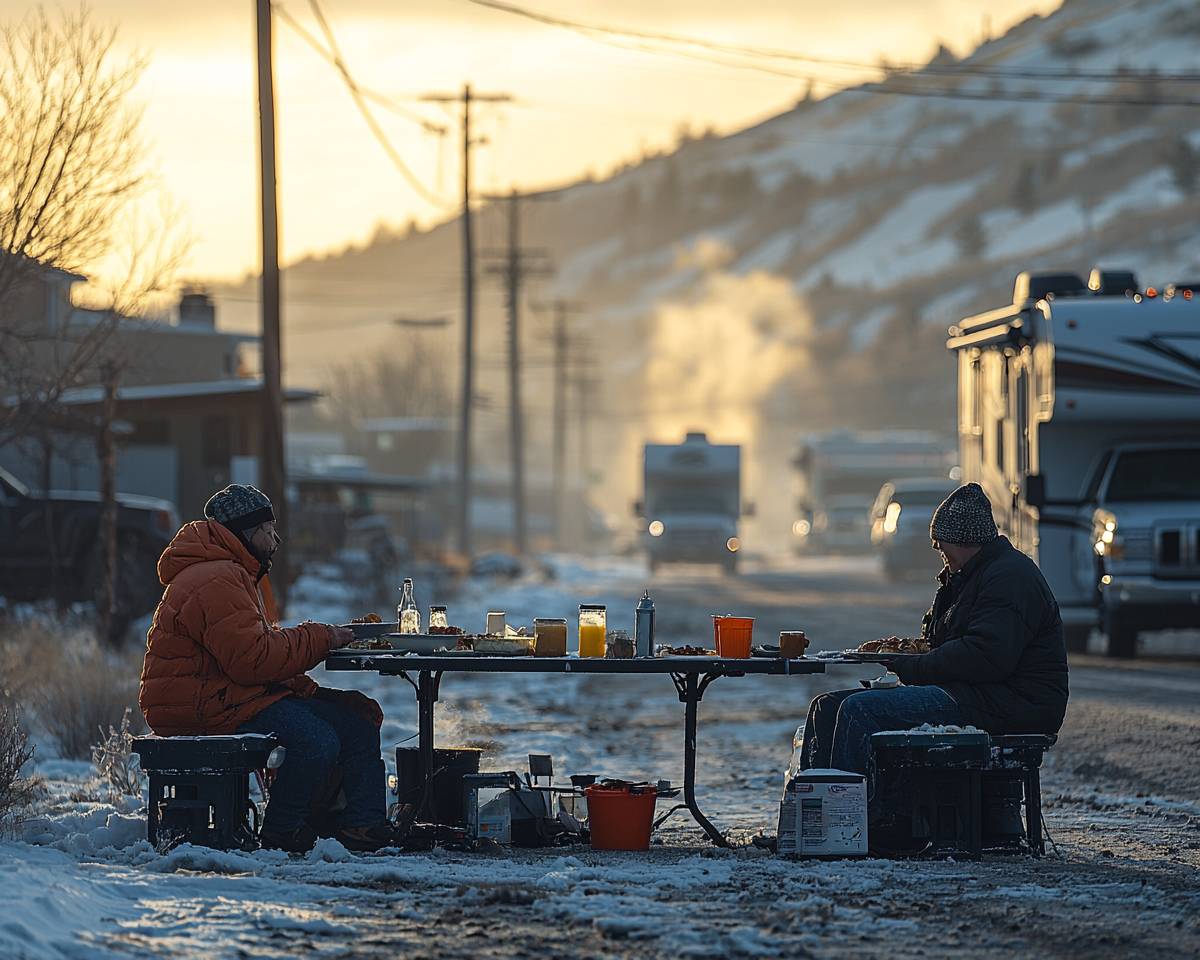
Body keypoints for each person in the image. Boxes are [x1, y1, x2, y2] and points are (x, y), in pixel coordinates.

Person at [139, 484, 397, 853]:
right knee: (317, 739)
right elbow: (254, 660)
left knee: (356, 722)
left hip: (230, 695)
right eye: (268, 530)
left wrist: (313, 691)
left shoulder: (232, 572)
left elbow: (254, 657)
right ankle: (282, 830)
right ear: (245, 532)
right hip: (202, 705)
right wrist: (321, 637)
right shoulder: (216, 578)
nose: (276, 539)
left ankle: (363, 825)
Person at [798, 482, 1069, 779]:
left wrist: (915, 667)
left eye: (941, 542)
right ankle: (819, 815)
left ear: (964, 538)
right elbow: (941, 643)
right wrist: (905, 655)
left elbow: (986, 656)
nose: (937, 549)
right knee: (826, 708)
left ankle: (856, 817)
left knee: (858, 710)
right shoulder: (967, 576)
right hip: (974, 694)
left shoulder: (1010, 576)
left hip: (1009, 703)